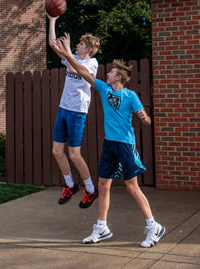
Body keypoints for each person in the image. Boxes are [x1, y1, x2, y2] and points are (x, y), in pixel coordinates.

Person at [51, 34, 166, 248]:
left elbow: (147, 119)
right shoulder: (103, 89)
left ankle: (153, 226)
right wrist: (67, 53)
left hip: (125, 145)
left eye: (112, 72)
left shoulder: (131, 96)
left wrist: (145, 118)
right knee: (103, 185)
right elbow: (83, 72)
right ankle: (102, 227)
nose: (108, 73)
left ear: (119, 77)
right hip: (109, 145)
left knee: (132, 187)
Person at [48, 14, 101, 209]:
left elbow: (76, 71)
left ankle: (91, 189)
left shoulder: (91, 63)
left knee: (74, 155)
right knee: (56, 151)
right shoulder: (73, 57)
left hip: (78, 112)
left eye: (79, 44)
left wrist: (68, 51)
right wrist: (52, 19)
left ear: (88, 49)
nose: (76, 45)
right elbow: (54, 45)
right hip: (64, 109)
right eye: (76, 44)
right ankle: (70, 185)